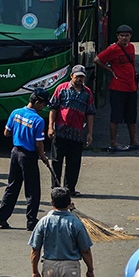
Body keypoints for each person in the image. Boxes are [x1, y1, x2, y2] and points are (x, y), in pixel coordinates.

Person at [30, 188, 95, 277]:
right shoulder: (76, 224)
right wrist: (90, 269)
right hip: (70, 268)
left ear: (51, 202)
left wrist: (35, 271)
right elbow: (85, 250)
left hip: (49, 267)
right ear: (69, 203)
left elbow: (35, 250)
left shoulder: (43, 222)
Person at [0, 88, 48, 231]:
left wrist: (19, 133)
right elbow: (39, 143)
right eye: (43, 104)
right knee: (32, 191)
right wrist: (43, 156)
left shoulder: (15, 113)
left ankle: (2, 217)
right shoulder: (38, 120)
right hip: (28, 156)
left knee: (12, 186)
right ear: (37, 102)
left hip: (15, 153)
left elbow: (6, 132)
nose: (43, 107)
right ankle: (31, 222)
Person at [96, 25, 139, 152]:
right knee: (116, 117)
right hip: (117, 88)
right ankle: (113, 142)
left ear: (130, 37)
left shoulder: (132, 47)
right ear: (118, 36)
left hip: (131, 87)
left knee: (131, 116)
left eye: (126, 35)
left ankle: (134, 141)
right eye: (122, 35)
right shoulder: (113, 49)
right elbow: (97, 60)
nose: (124, 38)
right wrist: (110, 70)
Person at [47, 66, 94, 196]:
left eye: (82, 77)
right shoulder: (61, 89)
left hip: (77, 134)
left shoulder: (87, 93)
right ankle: (56, 189)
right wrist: (50, 127)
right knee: (57, 161)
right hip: (60, 132)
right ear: (71, 76)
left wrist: (90, 133)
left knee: (73, 163)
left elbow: (90, 113)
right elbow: (53, 108)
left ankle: (70, 189)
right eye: (77, 76)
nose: (79, 79)